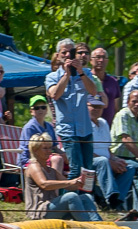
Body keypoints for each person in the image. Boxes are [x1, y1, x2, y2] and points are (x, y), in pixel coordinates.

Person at [45, 40, 98, 180]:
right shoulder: (52, 77)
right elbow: (55, 94)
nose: (68, 55)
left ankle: (86, 198)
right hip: (68, 129)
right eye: (64, 52)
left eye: (71, 52)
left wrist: (80, 72)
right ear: (58, 56)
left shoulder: (85, 73)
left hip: (85, 128)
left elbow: (93, 91)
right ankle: (69, 199)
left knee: (88, 169)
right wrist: (66, 75)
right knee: (76, 168)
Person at [24, 133, 102, 221]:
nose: (49, 151)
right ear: (35, 151)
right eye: (45, 148)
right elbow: (44, 184)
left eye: (50, 148)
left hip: (51, 207)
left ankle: (99, 225)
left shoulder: (51, 170)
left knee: (86, 197)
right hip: (39, 211)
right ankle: (89, 226)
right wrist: (70, 182)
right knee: (71, 197)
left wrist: (82, 181)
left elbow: (70, 186)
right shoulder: (34, 166)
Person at [89, 96, 137, 210]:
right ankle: (110, 196)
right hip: (91, 160)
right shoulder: (84, 124)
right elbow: (86, 151)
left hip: (107, 160)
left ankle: (116, 202)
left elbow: (107, 148)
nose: (96, 109)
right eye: (93, 106)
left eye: (99, 107)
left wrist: (115, 159)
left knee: (129, 167)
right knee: (103, 161)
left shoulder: (103, 122)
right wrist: (110, 162)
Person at [18, 96, 66, 176]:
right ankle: (54, 186)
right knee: (57, 159)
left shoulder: (49, 126)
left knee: (70, 159)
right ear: (31, 111)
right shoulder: (29, 127)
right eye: (37, 108)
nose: (40, 110)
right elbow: (31, 150)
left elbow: (54, 147)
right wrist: (51, 155)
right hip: (29, 160)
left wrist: (65, 155)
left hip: (45, 157)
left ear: (46, 110)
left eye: (43, 107)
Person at [90, 47, 121, 125]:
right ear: (91, 60)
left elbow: (115, 107)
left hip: (108, 126)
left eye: (104, 58)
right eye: (98, 57)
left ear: (107, 61)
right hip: (89, 125)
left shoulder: (113, 81)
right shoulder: (86, 79)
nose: (101, 60)